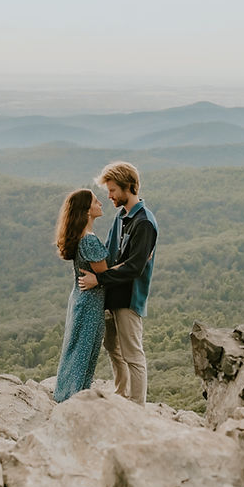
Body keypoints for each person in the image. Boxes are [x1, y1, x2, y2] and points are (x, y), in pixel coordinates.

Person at [77, 161, 157, 404]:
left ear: (128, 187)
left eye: (112, 190)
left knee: (133, 354)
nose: (109, 196)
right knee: (113, 347)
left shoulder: (144, 222)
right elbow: (112, 255)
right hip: (112, 292)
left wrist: (98, 278)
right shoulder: (122, 217)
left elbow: (133, 268)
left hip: (129, 296)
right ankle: (122, 393)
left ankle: (137, 406)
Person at [53, 188, 109, 402]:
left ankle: (65, 395)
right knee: (84, 354)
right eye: (96, 201)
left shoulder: (81, 237)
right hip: (90, 302)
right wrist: (140, 261)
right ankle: (74, 399)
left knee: (74, 348)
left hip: (80, 298)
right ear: (86, 211)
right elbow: (106, 273)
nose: (101, 203)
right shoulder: (89, 241)